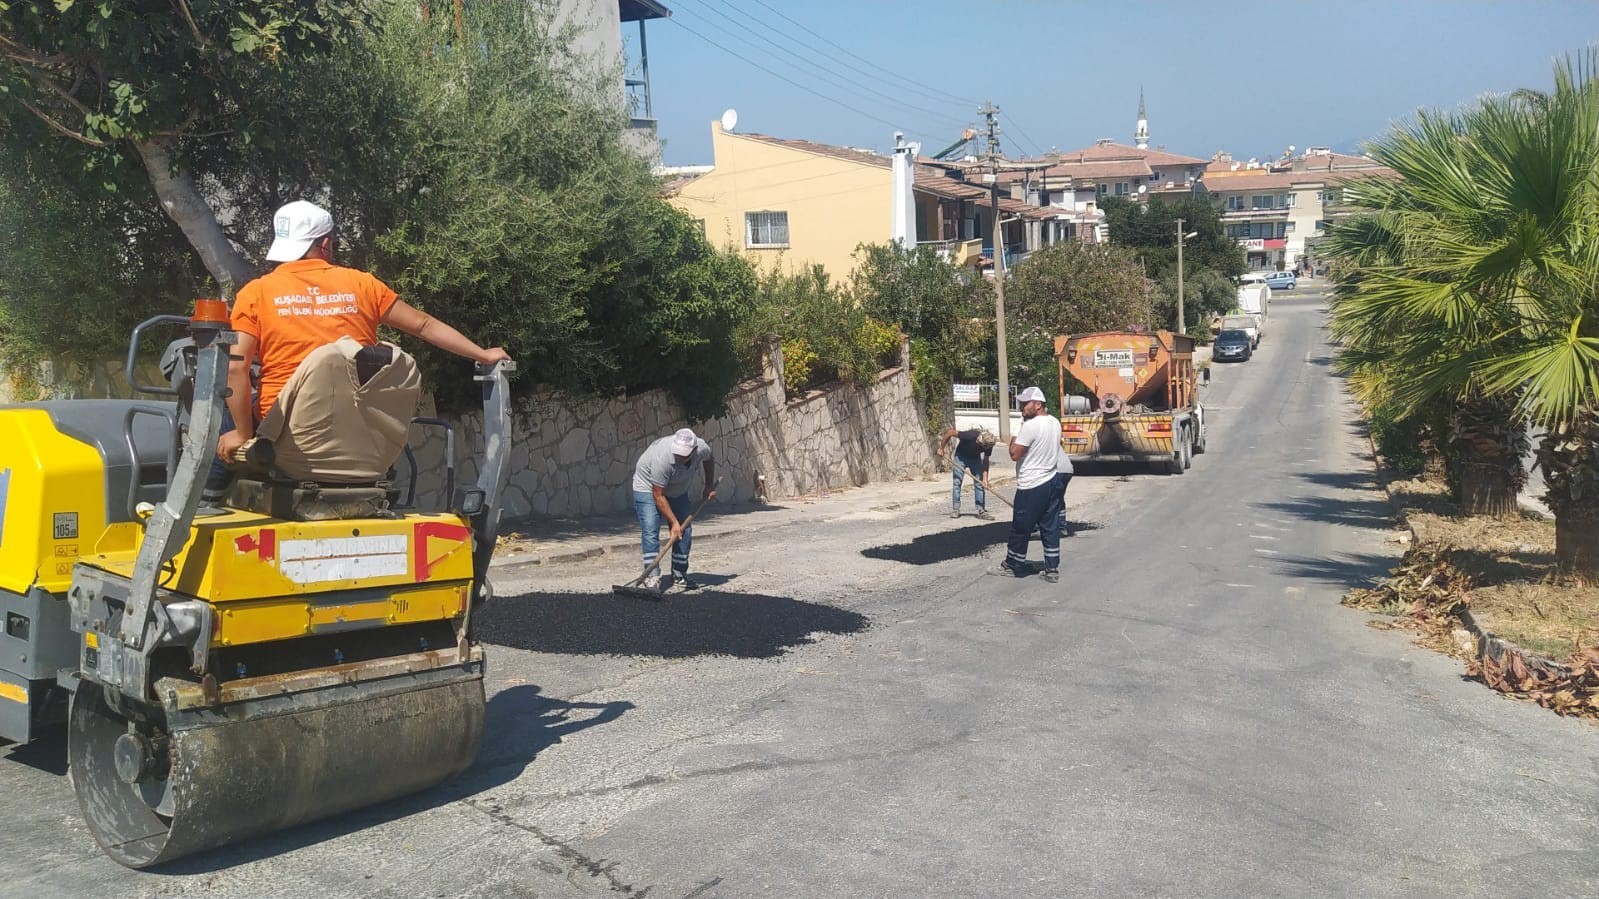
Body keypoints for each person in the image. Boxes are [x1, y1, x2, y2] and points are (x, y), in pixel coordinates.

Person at [209, 200, 510, 496]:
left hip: (288, 433)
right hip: (361, 433)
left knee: (221, 411)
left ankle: (207, 500)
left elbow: (236, 366)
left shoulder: (257, 293)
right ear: (326, 244)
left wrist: (242, 434)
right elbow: (424, 325)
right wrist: (483, 354)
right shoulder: (362, 285)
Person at [990, 386, 1063, 582]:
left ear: (1038, 404)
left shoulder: (1030, 426)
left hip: (1032, 484)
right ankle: (1052, 568)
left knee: (1021, 527)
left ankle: (1013, 564)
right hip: (1052, 479)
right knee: (1049, 525)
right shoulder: (1055, 423)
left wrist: (1015, 433)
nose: (1021, 406)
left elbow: (1014, 454)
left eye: (1025, 403)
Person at [632, 427, 716, 593]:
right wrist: (673, 522)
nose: (679, 457)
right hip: (648, 488)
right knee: (651, 527)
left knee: (685, 528)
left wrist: (708, 485)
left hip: (677, 489)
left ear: (693, 451)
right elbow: (658, 495)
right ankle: (652, 576)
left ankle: (679, 574)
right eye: (677, 453)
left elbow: (709, 459)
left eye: (683, 455)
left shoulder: (701, 448)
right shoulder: (662, 457)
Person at [942, 425, 996, 519]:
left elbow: (985, 461)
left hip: (975, 459)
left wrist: (985, 479)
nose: (977, 441)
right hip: (960, 457)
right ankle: (956, 509)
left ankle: (981, 510)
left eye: (980, 443)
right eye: (978, 440)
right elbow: (950, 433)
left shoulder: (988, 445)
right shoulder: (970, 435)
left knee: (980, 484)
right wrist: (941, 448)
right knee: (957, 482)